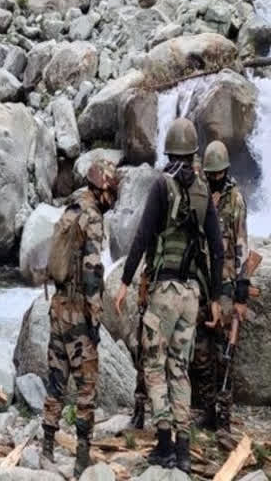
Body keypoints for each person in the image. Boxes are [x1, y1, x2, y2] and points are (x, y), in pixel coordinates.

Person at [114, 118, 224, 473]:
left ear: (169, 151)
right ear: (193, 153)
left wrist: (126, 281)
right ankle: (185, 450)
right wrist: (217, 297)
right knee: (180, 368)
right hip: (192, 293)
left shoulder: (162, 186)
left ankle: (164, 445)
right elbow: (217, 249)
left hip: (164, 291)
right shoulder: (205, 191)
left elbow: (143, 236)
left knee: (155, 365)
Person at [41, 160, 119, 477]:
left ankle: (46, 448)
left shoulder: (70, 209)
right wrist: (95, 319)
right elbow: (92, 273)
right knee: (86, 385)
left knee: (56, 379)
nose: (113, 198)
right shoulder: (93, 218)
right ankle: (81, 459)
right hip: (77, 312)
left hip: (58, 305)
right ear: (102, 190)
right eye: (111, 192)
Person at [189, 140, 249, 432]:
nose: (214, 179)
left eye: (217, 174)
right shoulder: (199, 194)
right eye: (210, 174)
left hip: (224, 283)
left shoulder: (235, 199)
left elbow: (241, 245)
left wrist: (241, 289)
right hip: (201, 282)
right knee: (201, 351)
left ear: (225, 171)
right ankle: (208, 409)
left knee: (225, 352)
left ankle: (223, 417)